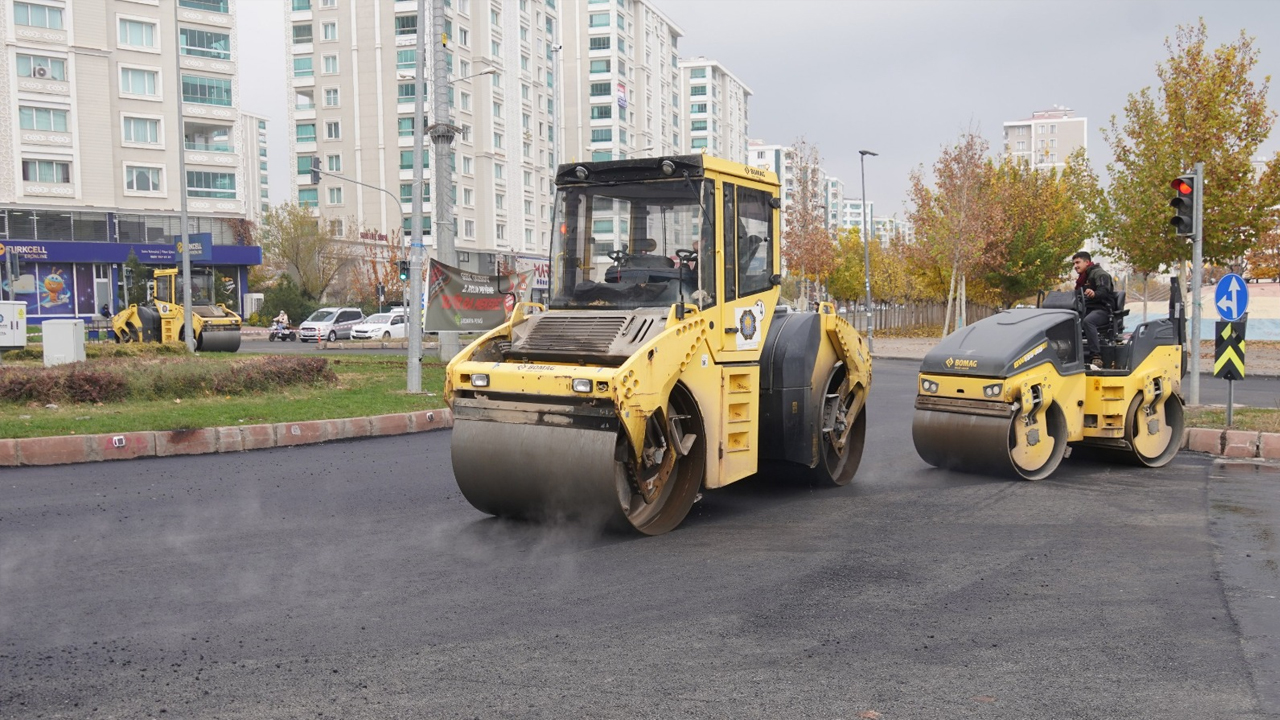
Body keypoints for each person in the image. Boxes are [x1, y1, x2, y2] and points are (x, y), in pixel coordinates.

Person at [1072, 251, 1115, 368]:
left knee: (1088, 321)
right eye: (1074, 264)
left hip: (1103, 309)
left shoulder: (1100, 274)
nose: (1075, 266)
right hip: (1087, 309)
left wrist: (1094, 293)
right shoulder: (1082, 279)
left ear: (1087, 262)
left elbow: (1104, 291)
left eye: (1078, 262)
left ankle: (1096, 357)